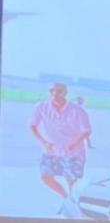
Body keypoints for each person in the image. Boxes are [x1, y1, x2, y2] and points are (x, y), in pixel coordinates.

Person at [28, 82, 92, 213]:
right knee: (45, 176)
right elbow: (32, 126)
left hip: (73, 152)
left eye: (58, 91)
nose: (54, 94)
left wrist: (74, 143)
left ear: (65, 93)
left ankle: (74, 206)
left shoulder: (77, 110)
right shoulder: (41, 107)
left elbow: (86, 130)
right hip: (51, 150)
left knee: (72, 182)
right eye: (52, 91)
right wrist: (43, 142)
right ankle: (66, 199)